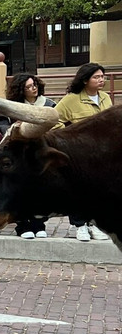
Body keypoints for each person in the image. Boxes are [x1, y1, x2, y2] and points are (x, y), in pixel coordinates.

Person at [55, 63, 113, 242]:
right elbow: (54, 122)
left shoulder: (105, 98)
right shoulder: (71, 100)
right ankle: (80, 225)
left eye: (102, 76)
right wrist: (70, 139)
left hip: (103, 155)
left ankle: (94, 225)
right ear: (85, 80)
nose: (101, 80)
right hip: (80, 156)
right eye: (97, 77)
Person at [0, 73, 56, 239]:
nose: (33, 88)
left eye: (34, 84)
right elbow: (2, 123)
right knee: (20, 189)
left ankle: (39, 224)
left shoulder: (48, 104)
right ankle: (22, 225)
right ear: (21, 89)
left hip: (39, 152)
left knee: (40, 189)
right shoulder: (13, 107)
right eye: (29, 86)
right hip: (19, 155)